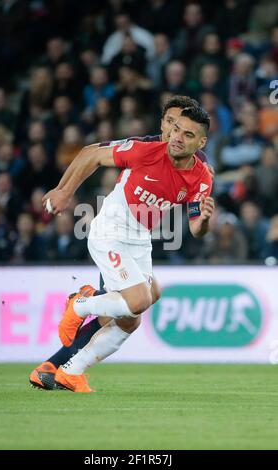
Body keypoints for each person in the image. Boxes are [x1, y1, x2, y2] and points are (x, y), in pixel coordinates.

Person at [29, 95, 213, 390]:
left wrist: (203, 219)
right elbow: (91, 153)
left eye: (185, 133)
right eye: (172, 126)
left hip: (141, 239)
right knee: (136, 300)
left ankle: (69, 371)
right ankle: (79, 305)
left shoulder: (202, 174)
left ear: (200, 142)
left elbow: (195, 227)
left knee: (135, 314)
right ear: (164, 123)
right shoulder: (145, 149)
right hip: (111, 230)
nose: (175, 136)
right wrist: (64, 191)